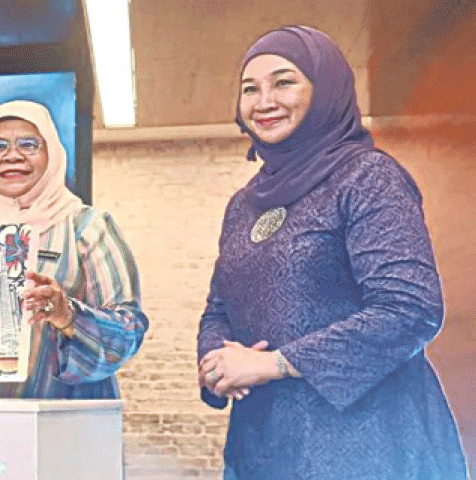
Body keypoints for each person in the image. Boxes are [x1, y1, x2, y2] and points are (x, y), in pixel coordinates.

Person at [196, 26, 468, 479]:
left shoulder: (367, 179)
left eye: (284, 82)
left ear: (324, 91)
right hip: (265, 444)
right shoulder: (244, 205)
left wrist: (275, 364)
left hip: (368, 442)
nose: (264, 101)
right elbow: (218, 308)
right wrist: (216, 362)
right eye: (250, 88)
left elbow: (411, 309)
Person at [0, 100, 148, 398]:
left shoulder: (86, 227)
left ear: (53, 154)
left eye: (29, 144)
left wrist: (67, 315)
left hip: (62, 421)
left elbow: (129, 330)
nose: (13, 156)